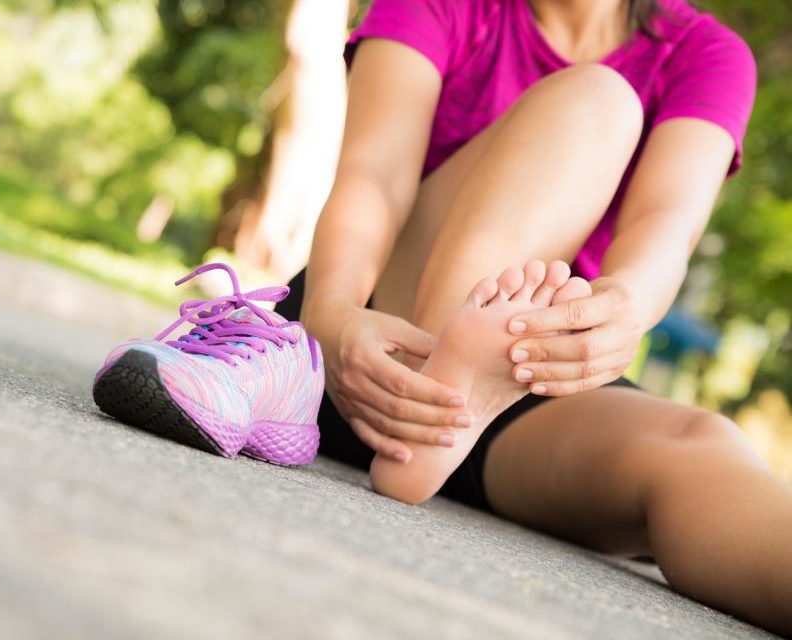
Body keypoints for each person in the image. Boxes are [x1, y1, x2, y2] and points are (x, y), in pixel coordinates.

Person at [273, 0, 792, 634]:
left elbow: (665, 226)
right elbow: (373, 175)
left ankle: (451, 401)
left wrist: (623, 304)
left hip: (513, 377)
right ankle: (448, 375)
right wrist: (331, 315)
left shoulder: (704, 54)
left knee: (699, 447)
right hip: (370, 337)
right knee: (597, 100)